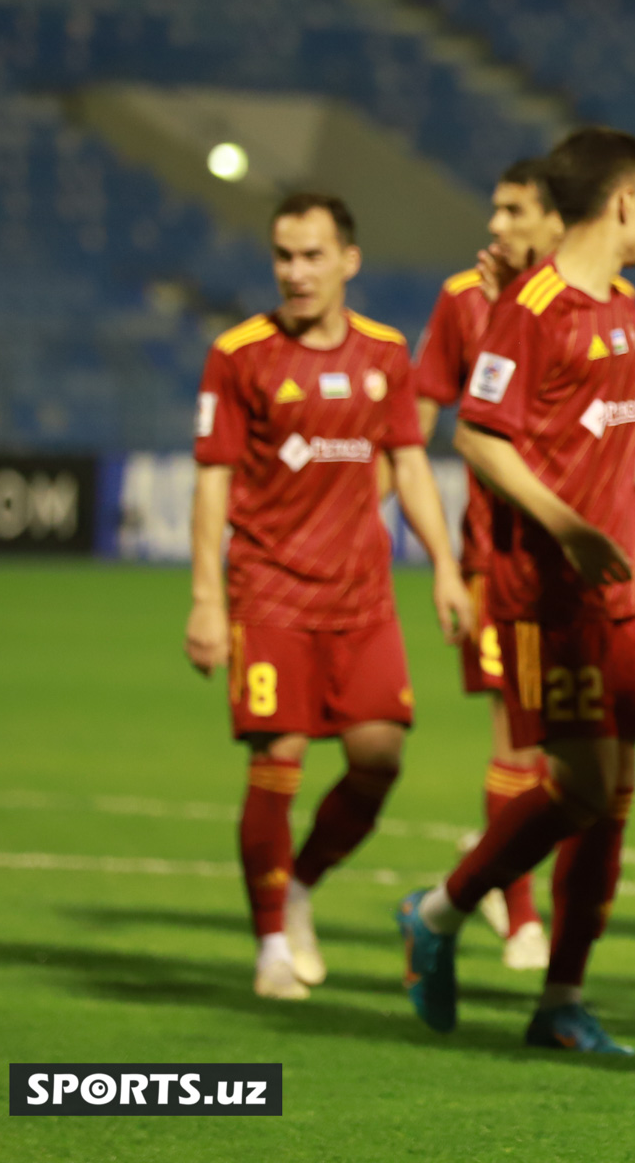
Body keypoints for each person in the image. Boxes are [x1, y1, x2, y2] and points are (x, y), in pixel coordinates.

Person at [392, 127, 635, 1056]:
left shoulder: (626, 312)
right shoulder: (532, 308)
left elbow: (624, 448)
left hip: (620, 586)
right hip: (548, 589)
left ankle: (561, 999)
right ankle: (439, 911)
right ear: (625, 201)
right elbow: (478, 437)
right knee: (583, 787)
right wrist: (573, 528)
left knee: (612, 795)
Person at [186, 192, 470, 1001]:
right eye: (284, 256)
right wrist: (208, 597)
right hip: (270, 591)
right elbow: (213, 483)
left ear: (349, 260)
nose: (296, 272)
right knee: (276, 758)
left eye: (313, 256)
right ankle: (272, 941)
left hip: (361, 595)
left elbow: (411, 465)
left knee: (379, 758)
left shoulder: (384, 354)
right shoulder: (238, 355)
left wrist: (445, 567)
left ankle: (300, 881)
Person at [413, 157, 564, 970]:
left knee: (577, 752)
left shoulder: (591, 304)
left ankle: (490, 885)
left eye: (514, 210)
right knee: (518, 739)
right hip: (498, 560)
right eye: (494, 207)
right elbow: (421, 423)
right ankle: (523, 912)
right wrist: (440, 561)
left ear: (554, 220)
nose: (496, 225)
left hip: (579, 560)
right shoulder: (461, 301)